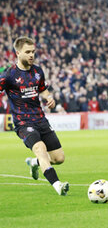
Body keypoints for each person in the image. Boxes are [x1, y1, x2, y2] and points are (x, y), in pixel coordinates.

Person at [0, 36, 69, 196]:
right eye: (28, 52)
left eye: (33, 52)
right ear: (18, 53)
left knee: (59, 158)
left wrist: (48, 97)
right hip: (23, 123)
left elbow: (42, 88)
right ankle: (58, 185)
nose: (32, 55)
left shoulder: (38, 71)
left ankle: (34, 163)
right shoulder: (9, 75)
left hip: (41, 120)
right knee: (40, 148)